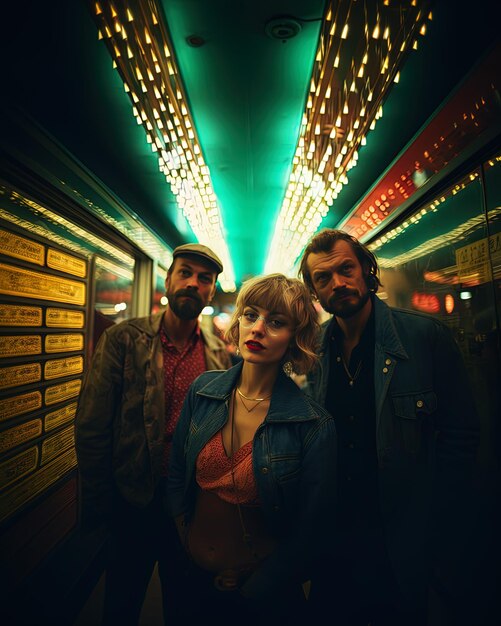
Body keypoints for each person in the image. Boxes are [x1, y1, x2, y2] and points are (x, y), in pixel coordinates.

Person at [298, 228, 480, 625]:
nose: (338, 283)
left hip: (400, 541)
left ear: (367, 269)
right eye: (322, 278)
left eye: (346, 269)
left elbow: (461, 440)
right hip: (334, 540)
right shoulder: (314, 350)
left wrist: (441, 532)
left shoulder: (423, 337)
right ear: (314, 292)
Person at [75, 243, 232, 626]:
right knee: (122, 602)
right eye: (185, 273)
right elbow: (93, 426)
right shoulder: (125, 340)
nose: (193, 283)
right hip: (132, 500)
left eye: (204, 279)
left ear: (211, 291)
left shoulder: (216, 353)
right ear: (168, 278)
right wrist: (101, 503)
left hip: (188, 507)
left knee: (183, 605)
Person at [167, 273, 337, 625]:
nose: (257, 329)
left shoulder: (311, 424)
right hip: (188, 576)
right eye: (250, 315)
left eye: (276, 322)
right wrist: (184, 536)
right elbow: (176, 474)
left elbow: (313, 527)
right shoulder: (203, 392)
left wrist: (258, 582)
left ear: (294, 339)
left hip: (260, 594)